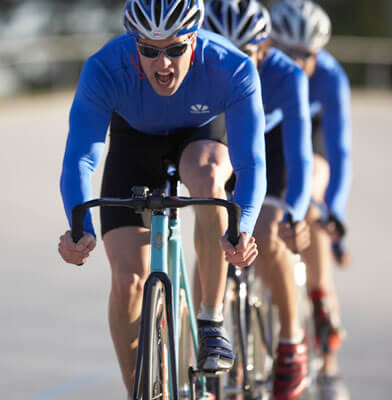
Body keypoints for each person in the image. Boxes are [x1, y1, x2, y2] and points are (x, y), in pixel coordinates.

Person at [58, 0, 268, 394]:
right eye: (149, 50)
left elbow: (252, 164)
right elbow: (79, 161)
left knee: (208, 178)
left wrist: (244, 231)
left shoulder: (231, 66)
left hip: (201, 135)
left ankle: (210, 320)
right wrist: (78, 228)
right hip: (134, 142)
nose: (163, 64)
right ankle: (136, 389)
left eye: (175, 49)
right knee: (127, 280)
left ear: (195, 40)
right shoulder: (105, 68)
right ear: (133, 42)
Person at [204, 0, 313, 398]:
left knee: (267, 230)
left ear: (263, 50)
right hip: (225, 144)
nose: (228, 64)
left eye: (243, 55)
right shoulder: (199, 72)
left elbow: (301, 155)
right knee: (211, 230)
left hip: (274, 148)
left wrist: (295, 214)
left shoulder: (286, 76)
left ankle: (290, 342)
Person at [270, 0, 352, 398]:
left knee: (313, 193)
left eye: (308, 56)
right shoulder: (262, 66)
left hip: (312, 134)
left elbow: (340, 152)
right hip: (274, 133)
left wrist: (334, 214)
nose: (299, 63)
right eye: (289, 53)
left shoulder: (331, 78)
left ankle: (321, 304)